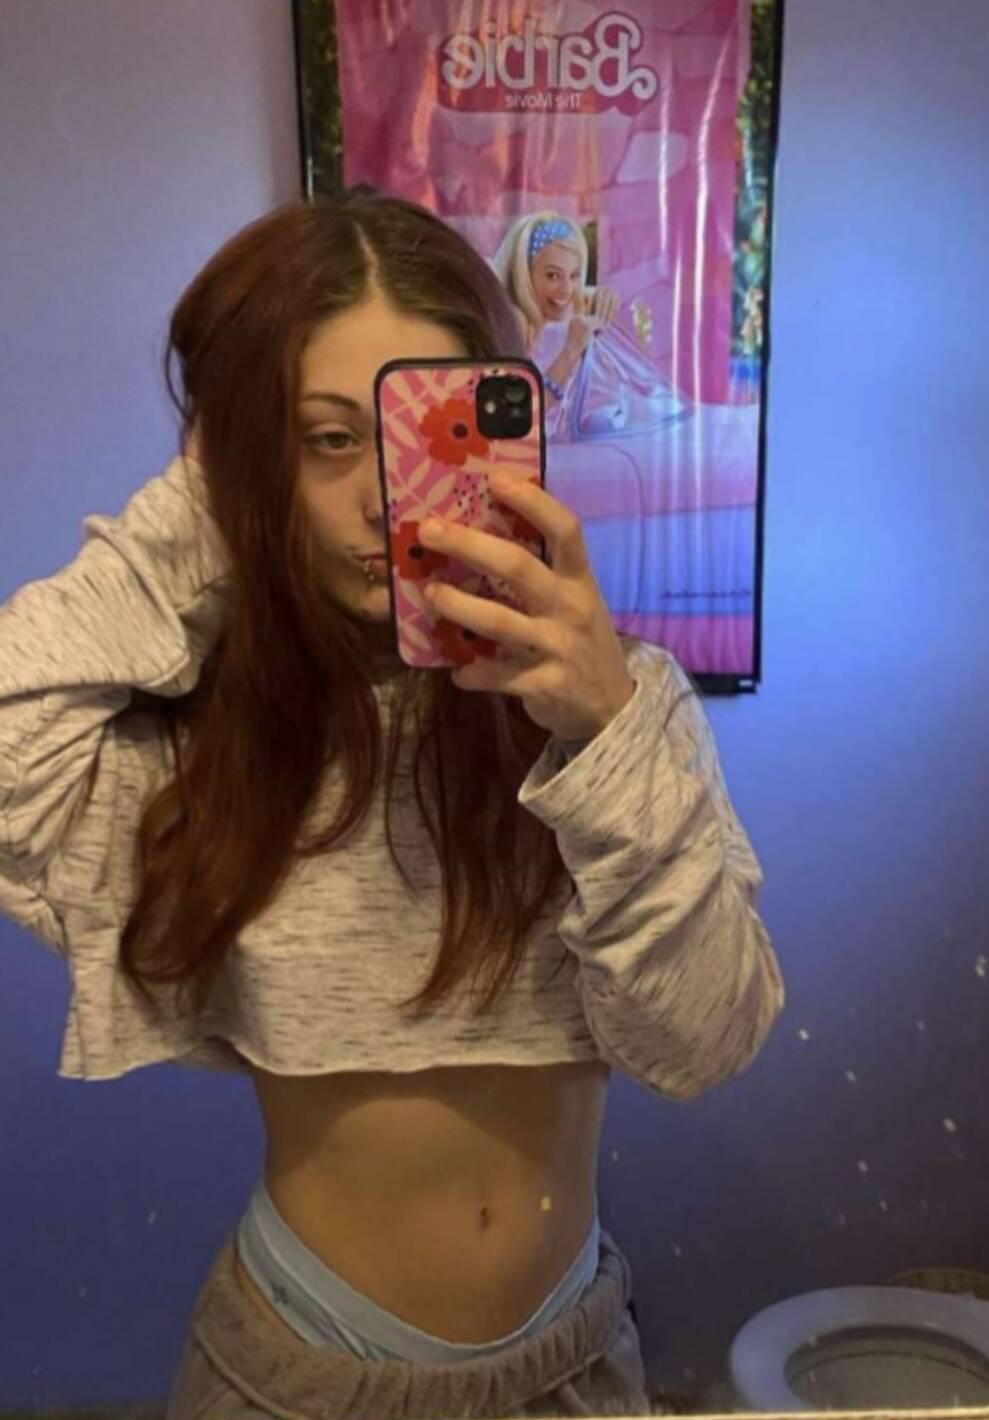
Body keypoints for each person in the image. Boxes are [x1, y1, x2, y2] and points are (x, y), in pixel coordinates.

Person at [0, 188, 784, 1418]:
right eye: (324, 439)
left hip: (574, 1367)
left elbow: (703, 1041)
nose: (380, 494)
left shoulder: (618, 711)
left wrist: (606, 731)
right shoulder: (210, 742)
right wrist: (210, 495)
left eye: (425, 433)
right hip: (298, 1373)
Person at [491, 211, 691, 444]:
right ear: (524, 275)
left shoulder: (567, 312)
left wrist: (599, 298)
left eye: (575, 275)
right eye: (552, 276)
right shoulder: (513, 324)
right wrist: (570, 352)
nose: (566, 289)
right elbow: (518, 417)